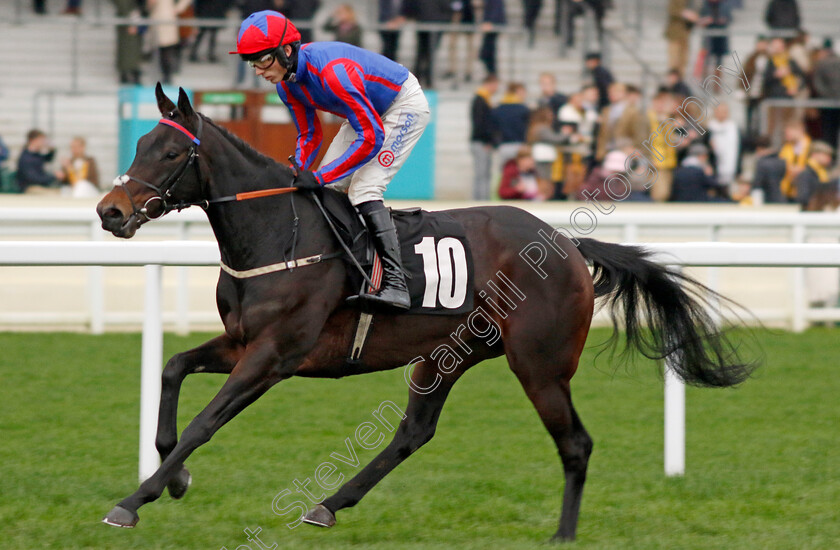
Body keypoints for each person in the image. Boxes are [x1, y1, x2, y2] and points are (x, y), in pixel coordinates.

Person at [231, 10, 430, 310]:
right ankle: (346, 272)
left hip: (403, 106)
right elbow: (310, 135)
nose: (257, 70)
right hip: (366, 116)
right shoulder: (286, 84)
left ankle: (396, 284)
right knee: (329, 190)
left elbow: (372, 136)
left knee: (363, 189)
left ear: (286, 51)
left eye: (261, 59)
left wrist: (319, 176)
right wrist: (297, 171)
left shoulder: (334, 73)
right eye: (251, 62)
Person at [401, 0, 452, 88]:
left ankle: (427, 80)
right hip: (424, 23)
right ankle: (420, 79)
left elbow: (447, 6)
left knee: (428, 54)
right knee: (422, 54)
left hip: (434, 24)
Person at [147, 0, 193, 85]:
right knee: (159, 50)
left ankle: (168, 75)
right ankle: (164, 74)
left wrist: (176, 9)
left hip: (167, 20)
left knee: (167, 48)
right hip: (155, 20)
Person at [470, 74, 500, 200]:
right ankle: (481, 200)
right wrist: (487, 140)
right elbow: (481, 124)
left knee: (483, 174)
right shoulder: (481, 100)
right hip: (481, 142)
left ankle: (481, 199)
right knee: (482, 174)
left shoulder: (483, 99)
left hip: (481, 141)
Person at [492, 82, 532, 168]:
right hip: (520, 144)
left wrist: (496, 144)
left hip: (503, 145)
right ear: (517, 91)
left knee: (505, 172)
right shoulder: (523, 109)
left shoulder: (498, 108)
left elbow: (493, 128)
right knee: (520, 171)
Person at [16, 130, 64, 194]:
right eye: (41, 140)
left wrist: (52, 150)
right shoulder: (26, 158)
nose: (43, 143)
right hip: (30, 187)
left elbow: (48, 158)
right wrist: (53, 176)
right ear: (33, 140)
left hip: (39, 186)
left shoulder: (36, 154)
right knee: (54, 195)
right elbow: (33, 178)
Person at [707, 102, 741, 194]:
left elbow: (740, 149)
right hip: (714, 168)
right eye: (719, 111)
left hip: (731, 168)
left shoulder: (734, 128)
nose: (722, 114)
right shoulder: (709, 128)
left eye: (724, 111)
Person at [813, 39, 840, 149]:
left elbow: (817, 83)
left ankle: (830, 154)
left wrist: (826, 95)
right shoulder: (834, 61)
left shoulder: (822, 63)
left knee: (828, 131)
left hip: (827, 102)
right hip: (832, 101)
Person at [794, 141, 834, 210]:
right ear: (814, 155)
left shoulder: (823, 173)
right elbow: (803, 198)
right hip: (810, 215)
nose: (829, 159)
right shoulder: (806, 174)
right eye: (826, 155)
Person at [778, 119, 811, 200]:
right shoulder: (786, 148)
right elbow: (781, 164)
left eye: (788, 132)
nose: (786, 135)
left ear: (800, 130)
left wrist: (800, 170)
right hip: (787, 191)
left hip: (804, 191)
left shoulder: (811, 146)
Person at [665, 0, 700, 74]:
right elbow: (672, 10)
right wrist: (685, 14)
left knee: (683, 61)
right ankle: (673, 82)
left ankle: (679, 81)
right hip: (675, 34)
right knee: (674, 61)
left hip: (686, 34)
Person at [751, 135, 787, 204]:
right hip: (783, 199)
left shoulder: (762, 163)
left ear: (758, 149)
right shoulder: (782, 161)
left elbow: (757, 184)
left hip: (768, 200)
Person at [478, 0, 506, 77]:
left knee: (487, 52)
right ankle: (491, 74)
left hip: (493, 27)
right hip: (490, 26)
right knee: (486, 53)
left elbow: (497, 9)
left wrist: (490, 22)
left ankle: (492, 74)